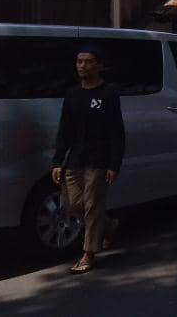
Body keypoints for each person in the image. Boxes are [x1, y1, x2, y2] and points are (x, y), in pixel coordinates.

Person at [51, 47, 125, 274]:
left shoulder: (108, 93)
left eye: (88, 62)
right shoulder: (72, 94)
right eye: (79, 61)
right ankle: (109, 224)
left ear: (98, 65)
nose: (82, 66)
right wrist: (57, 160)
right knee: (73, 204)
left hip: (99, 159)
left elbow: (116, 130)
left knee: (93, 205)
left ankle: (88, 254)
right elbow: (65, 129)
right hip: (75, 158)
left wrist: (114, 164)